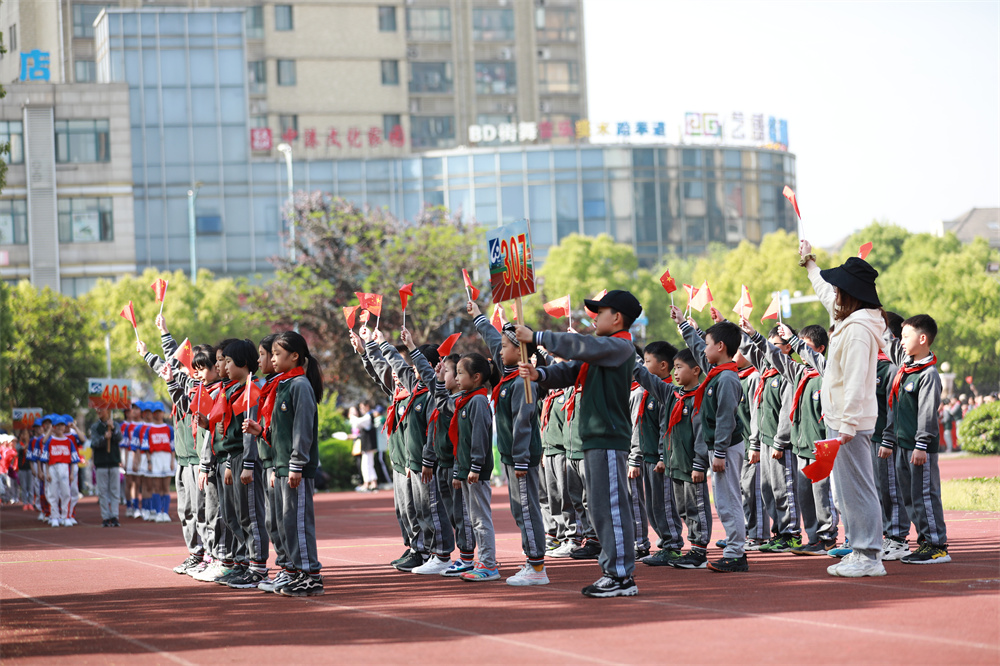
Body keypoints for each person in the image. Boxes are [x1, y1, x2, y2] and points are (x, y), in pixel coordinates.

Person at [517, 289, 641, 598]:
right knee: (600, 507)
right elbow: (572, 370)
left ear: (617, 318)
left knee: (610, 506)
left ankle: (621, 575)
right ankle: (614, 571)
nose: (594, 316)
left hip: (609, 438)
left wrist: (539, 336)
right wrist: (539, 373)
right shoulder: (604, 350)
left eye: (601, 311)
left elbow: (580, 346)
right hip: (597, 438)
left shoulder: (619, 346)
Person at [801, 239, 888, 578]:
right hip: (842, 421)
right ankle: (860, 550)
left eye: (839, 289)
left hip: (849, 424)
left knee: (858, 489)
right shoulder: (851, 322)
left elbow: (854, 381)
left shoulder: (857, 331)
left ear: (850, 293)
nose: (834, 294)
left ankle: (869, 555)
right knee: (848, 491)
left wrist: (848, 426)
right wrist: (810, 265)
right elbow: (825, 293)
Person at [471, 303, 549, 587]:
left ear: (521, 351)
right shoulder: (508, 374)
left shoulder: (523, 382)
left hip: (522, 458)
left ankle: (537, 566)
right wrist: (478, 316)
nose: (500, 351)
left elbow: (523, 422)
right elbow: (493, 340)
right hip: (511, 456)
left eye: (506, 347)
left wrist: (519, 458)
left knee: (526, 509)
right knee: (520, 508)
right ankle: (532, 559)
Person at [245, 331, 324, 596]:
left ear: (295, 356)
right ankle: (292, 571)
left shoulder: (300, 385)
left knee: (297, 521)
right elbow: (280, 431)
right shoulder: (282, 384)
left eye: (278, 354)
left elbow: (302, 430)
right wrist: (260, 432)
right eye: (273, 354)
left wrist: (297, 464)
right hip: (280, 465)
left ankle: (309, 575)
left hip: (293, 468)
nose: (273, 359)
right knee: (282, 521)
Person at [674, 308, 748, 573]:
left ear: (720, 346)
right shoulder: (718, 371)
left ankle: (736, 553)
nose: (703, 350)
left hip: (725, 447)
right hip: (721, 447)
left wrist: (718, 452)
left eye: (707, 345)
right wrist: (683, 325)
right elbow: (695, 349)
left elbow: (725, 418)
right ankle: (734, 547)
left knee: (728, 500)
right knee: (724, 499)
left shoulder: (727, 378)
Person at [885, 315, 950, 564]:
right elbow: (886, 341)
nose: (901, 342)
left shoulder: (928, 374)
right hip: (903, 445)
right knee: (910, 497)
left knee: (925, 495)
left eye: (906, 337)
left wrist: (922, 444)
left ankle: (936, 544)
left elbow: (927, 413)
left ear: (923, 339)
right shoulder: (906, 368)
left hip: (918, 448)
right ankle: (924, 540)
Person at [629, 340, 684, 566]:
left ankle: (672, 545)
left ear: (663, 366)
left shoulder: (666, 391)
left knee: (664, 504)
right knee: (653, 505)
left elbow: (666, 427)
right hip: (647, 457)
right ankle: (664, 542)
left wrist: (662, 456)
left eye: (647, 362)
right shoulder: (647, 392)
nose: (643, 365)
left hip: (660, 460)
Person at [449, 353, 500, 582]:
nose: (457, 378)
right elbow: (461, 441)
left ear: (477, 377)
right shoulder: (465, 400)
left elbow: (479, 437)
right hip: (468, 470)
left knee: (480, 518)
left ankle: (489, 564)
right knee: (474, 518)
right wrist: (459, 470)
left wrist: (475, 466)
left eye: (460, 373)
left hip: (476, 472)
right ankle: (483, 561)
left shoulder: (479, 401)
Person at [40, 416, 78, 527]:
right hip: (52, 467)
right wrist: (46, 472)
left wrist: (71, 474)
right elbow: (45, 459)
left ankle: (66, 516)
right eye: (58, 425)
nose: (61, 428)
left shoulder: (69, 441)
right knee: (53, 493)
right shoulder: (50, 441)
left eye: (62, 425)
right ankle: (54, 516)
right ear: (54, 427)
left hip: (65, 467)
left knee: (66, 493)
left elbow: (73, 460)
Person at [141, 403, 175, 523]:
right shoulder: (149, 429)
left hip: (166, 458)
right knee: (156, 487)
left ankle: (165, 512)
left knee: (165, 487)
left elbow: (172, 447)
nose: (158, 414)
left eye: (160, 411)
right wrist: (149, 462)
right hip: (155, 457)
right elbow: (146, 447)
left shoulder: (169, 428)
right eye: (156, 412)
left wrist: (172, 461)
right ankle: (157, 512)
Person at [90, 407, 123, 527]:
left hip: (114, 462)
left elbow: (119, 438)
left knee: (115, 491)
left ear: (108, 411)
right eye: (97, 410)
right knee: (102, 491)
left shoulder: (115, 424)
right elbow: (94, 443)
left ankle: (115, 515)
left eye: (101, 410)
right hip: (101, 463)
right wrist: (104, 438)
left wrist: (113, 430)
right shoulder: (95, 427)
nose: (99, 412)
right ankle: (105, 516)